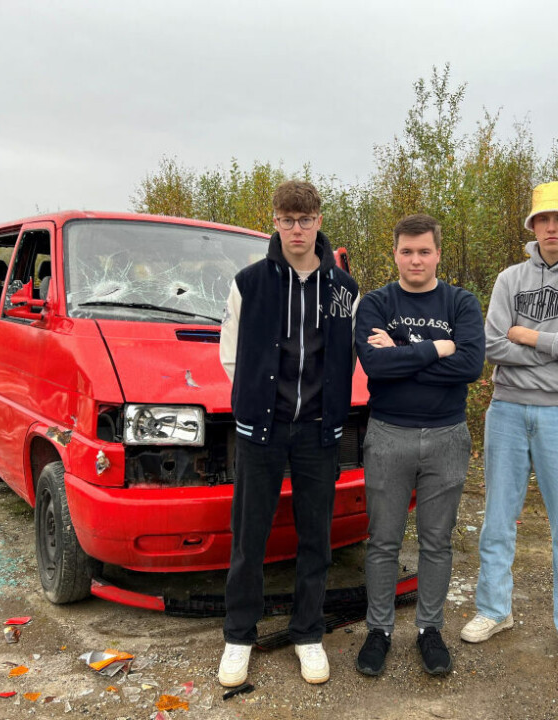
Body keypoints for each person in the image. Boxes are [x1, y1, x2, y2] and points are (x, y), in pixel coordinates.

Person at [460, 181, 558, 673]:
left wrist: (528, 336)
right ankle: (494, 610)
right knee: (497, 517)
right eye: (543, 219)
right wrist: (557, 349)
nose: (551, 227)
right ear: (532, 225)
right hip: (507, 410)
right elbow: (491, 345)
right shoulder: (510, 279)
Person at [217, 180, 360, 687]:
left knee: (316, 538)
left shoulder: (344, 289)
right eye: (287, 220)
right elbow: (231, 354)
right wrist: (256, 401)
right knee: (249, 536)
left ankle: (308, 633)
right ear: (275, 222)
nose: (296, 229)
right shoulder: (249, 283)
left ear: (319, 220)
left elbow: (349, 355)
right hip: (262, 429)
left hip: (319, 431)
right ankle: (239, 636)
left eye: (305, 220)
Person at [353, 213, 485, 677]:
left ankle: (430, 629)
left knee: (436, 541)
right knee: (383, 541)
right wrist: (437, 347)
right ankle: (379, 630)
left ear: (438, 254)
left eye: (424, 251)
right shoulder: (375, 302)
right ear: (395, 254)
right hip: (388, 434)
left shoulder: (461, 302)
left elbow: (470, 366)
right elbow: (375, 366)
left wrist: (402, 351)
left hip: (447, 436)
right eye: (407, 251)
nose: (415, 260)